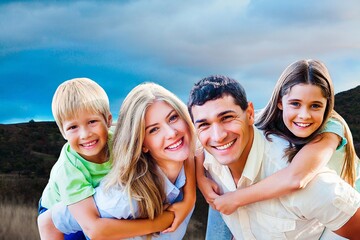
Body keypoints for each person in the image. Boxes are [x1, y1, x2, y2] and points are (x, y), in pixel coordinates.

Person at [188, 74, 360, 239]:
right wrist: (200, 177)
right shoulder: (208, 154)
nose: (218, 136)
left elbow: (296, 178)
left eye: (227, 118)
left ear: (249, 114)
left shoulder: (313, 184)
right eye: (204, 125)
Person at [48, 82, 197, 239]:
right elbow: (50, 222)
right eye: (153, 130)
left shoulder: (117, 139)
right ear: (142, 144)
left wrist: (189, 198)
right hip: (63, 208)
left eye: (173, 118)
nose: (85, 134)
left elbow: (192, 146)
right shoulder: (117, 196)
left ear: (108, 121)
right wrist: (159, 223)